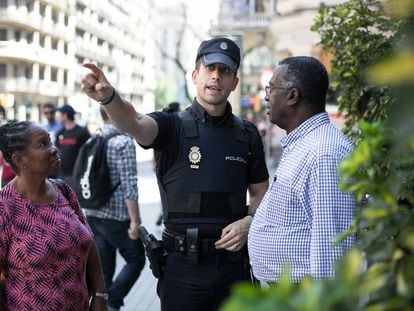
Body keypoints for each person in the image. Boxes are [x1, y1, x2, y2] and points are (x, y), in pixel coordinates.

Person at [81, 37, 269, 311]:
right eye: (210, 68)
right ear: (195, 75)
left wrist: (250, 220)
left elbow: (261, 191)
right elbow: (134, 122)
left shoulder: (247, 133)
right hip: (183, 270)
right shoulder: (171, 126)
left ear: (234, 82)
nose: (216, 76)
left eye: (225, 71)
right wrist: (110, 98)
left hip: (233, 268)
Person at [248, 56, 357, 283]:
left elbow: (332, 254)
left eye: (272, 88)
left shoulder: (325, 153)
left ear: (292, 96)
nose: (266, 96)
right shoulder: (304, 144)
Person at [0, 121, 107, 310]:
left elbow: (89, 241)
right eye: (42, 144)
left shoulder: (63, 190)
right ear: (19, 160)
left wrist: (100, 295)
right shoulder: (5, 207)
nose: (53, 149)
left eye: (50, 141)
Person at [84, 107, 145, 311]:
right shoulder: (123, 142)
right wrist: (135, 221)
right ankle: (113, 302)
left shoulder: (94, 139)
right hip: (117, 215)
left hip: (93, 212)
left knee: (105, 268)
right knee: (136, 259)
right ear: (112, 114)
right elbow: (130, 184)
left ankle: (102, 305)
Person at [155, 101, 181, 226]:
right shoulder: (176, 123)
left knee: (164, 189)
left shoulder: (164, 124)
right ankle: (167, 213)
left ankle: (164, 212)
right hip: (173, 163)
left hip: (161, 162)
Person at [55, 104, 90, 186]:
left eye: (59, 115)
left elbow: (88, 152)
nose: (58, 117)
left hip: (77, 174)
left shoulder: (82, 132)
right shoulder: (60, 133)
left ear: (65, 115)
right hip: (62, 174)